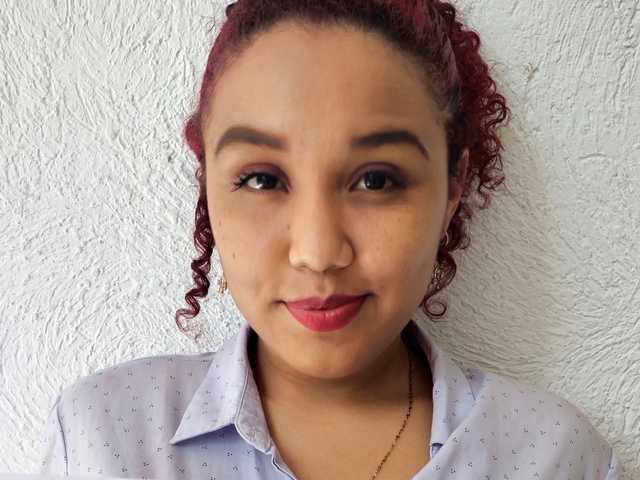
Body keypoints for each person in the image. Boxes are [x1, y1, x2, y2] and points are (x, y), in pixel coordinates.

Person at [38, 1, 621, 479]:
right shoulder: (102, 439)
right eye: (262, 180)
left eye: (377, 180)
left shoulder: (554, 457)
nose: (317, 253)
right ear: (209, 187)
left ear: (452, 188)